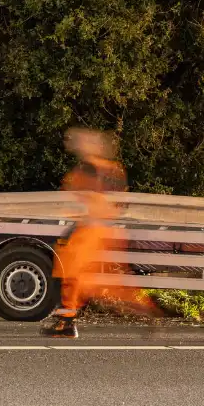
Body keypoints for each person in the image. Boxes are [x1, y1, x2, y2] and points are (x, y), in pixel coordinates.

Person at [39, 128, 128, 338]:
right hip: (91, 227)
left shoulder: (93, 168)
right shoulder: (106, 168)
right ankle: (66, 320)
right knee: (74, 276)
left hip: (90, 228)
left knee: (74, 275)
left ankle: (67, 322)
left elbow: (87, 198)